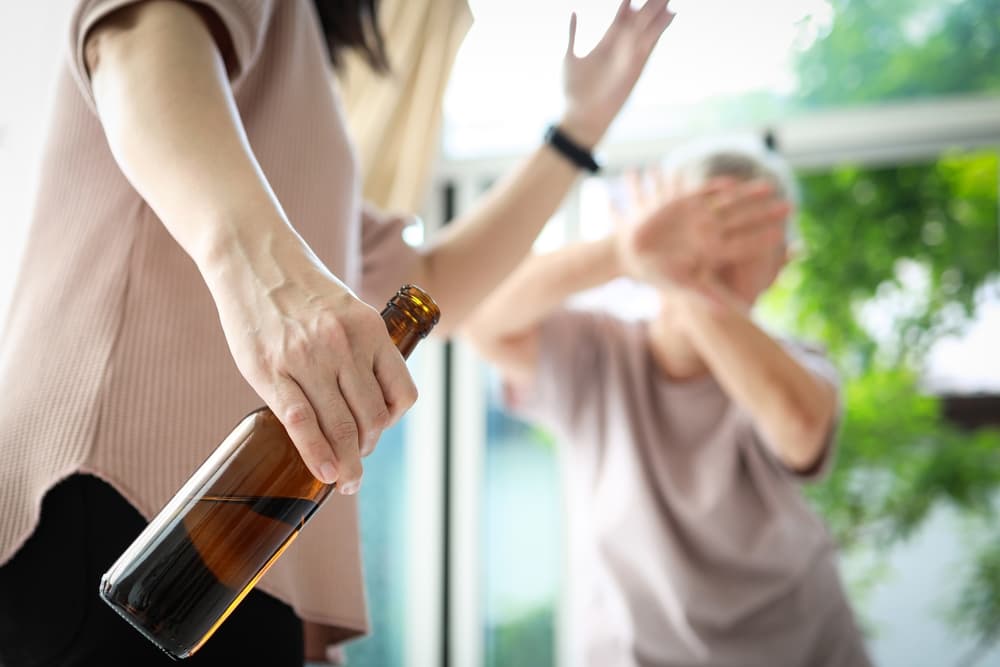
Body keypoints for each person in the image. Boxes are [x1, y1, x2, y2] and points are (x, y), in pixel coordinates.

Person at [0, 0, 676, 664]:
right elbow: (138, 41)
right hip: (118, 523)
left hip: (239, 569)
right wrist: (264, 276)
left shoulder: (311, 102)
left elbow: (426, 281)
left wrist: (579, 127)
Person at [463, 138, 873, 666]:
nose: (718, 251)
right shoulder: (596, 351)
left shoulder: (794, 363)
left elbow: (800, 428)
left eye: (740, 233)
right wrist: (622, 250)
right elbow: (482, 321)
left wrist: (686, 279)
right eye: (703, 226)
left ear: (781, 263)